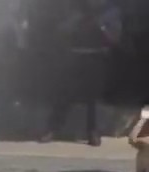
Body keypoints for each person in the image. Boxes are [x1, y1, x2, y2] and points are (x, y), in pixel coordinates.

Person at [41, 0, 122, 147]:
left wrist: (102, 28)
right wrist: (73, 24)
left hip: (96, 58)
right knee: (65, 94)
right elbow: (62, 30)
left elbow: (115, 37)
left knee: (93, 99)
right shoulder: (76, 10)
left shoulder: (110, 12)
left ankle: (93, 132)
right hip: (76, 56)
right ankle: (52, 129)